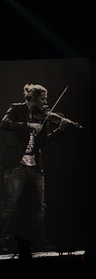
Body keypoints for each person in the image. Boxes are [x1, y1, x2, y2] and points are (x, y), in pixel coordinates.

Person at [0, 84, 73, 253]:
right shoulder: (16, 109)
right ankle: (0, 243)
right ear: (31, 98)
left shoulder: (43, 116)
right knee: (8, 206)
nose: (46, 103)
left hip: (35, 166)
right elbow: (4, 124)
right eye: (43, 99)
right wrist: (29, 126)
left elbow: (44, 141)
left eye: (46, 99)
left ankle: (39, 243)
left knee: (39, 206)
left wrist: (60, 130)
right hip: (16, 165)